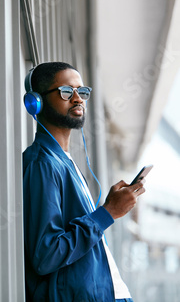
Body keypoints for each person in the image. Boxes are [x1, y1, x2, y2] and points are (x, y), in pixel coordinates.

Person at [22, 62, 145, 302]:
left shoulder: (64, 161)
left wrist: (108, 208)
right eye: (66, 92)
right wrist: (107, 213)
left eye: (83, 92)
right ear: (36, 101)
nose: (78, 99)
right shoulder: (43, 164)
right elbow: (46, 255)